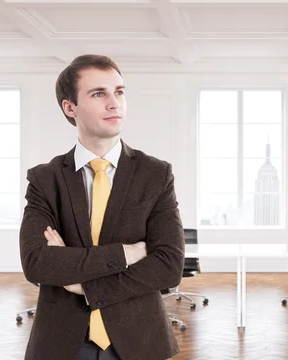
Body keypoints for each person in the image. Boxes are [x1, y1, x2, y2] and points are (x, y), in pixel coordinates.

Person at [19, 54, 185, 360]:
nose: (114, 103)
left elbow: (169, 265)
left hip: (138, 339)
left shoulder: (156, 174)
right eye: (99, 94)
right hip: (62, 341)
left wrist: (84, 286)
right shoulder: (45, 179)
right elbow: (38, 263)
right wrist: (127, 252)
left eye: (119, 92)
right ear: (70, 107)